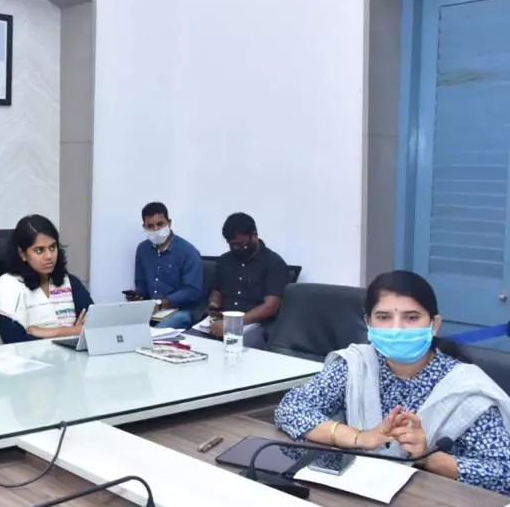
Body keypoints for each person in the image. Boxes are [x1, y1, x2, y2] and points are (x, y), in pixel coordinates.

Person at [274, 270, 510, 496]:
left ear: (434, 324)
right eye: (383, 317)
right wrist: (360, 437)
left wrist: (427, 457)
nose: (396, 329)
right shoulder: (358, 364)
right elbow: (291, 408)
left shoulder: (465, 387)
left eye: (411, 317)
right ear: (368, 323)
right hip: (359, 491)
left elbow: (504, 474)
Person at [0, 215, 93, 345]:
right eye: (39, 250)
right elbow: (17, 341)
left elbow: (95, 327)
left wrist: (47, 332)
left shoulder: (69, 282)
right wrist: (75, 330)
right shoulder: (8, 286)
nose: (49, 256)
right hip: (28, 362)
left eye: (52, 247)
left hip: (72, 362)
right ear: (22, 254)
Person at [204, 212, 288, 348]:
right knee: (190, 341)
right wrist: (214, 304)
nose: (237, 249)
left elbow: (270, 307)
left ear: (254, 235)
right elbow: (217, 290)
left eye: (242, 245)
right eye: (232, 245)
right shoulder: (225, 260)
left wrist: (233, 324)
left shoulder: (273, 263)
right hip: (223, 319)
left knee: (234, 347)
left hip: (255, 324)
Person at [125, 202, 203, 329]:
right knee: (117, 324)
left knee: (154, 333)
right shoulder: (142, 249)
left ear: (169, 223)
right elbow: (141, 284)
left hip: (179, 311)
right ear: (144, 227)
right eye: (150, 226)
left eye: (160, 224)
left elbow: (193, 291)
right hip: (151, 310)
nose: (156, 229)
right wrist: (137, 296)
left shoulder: (188, 251)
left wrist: (162, 303)